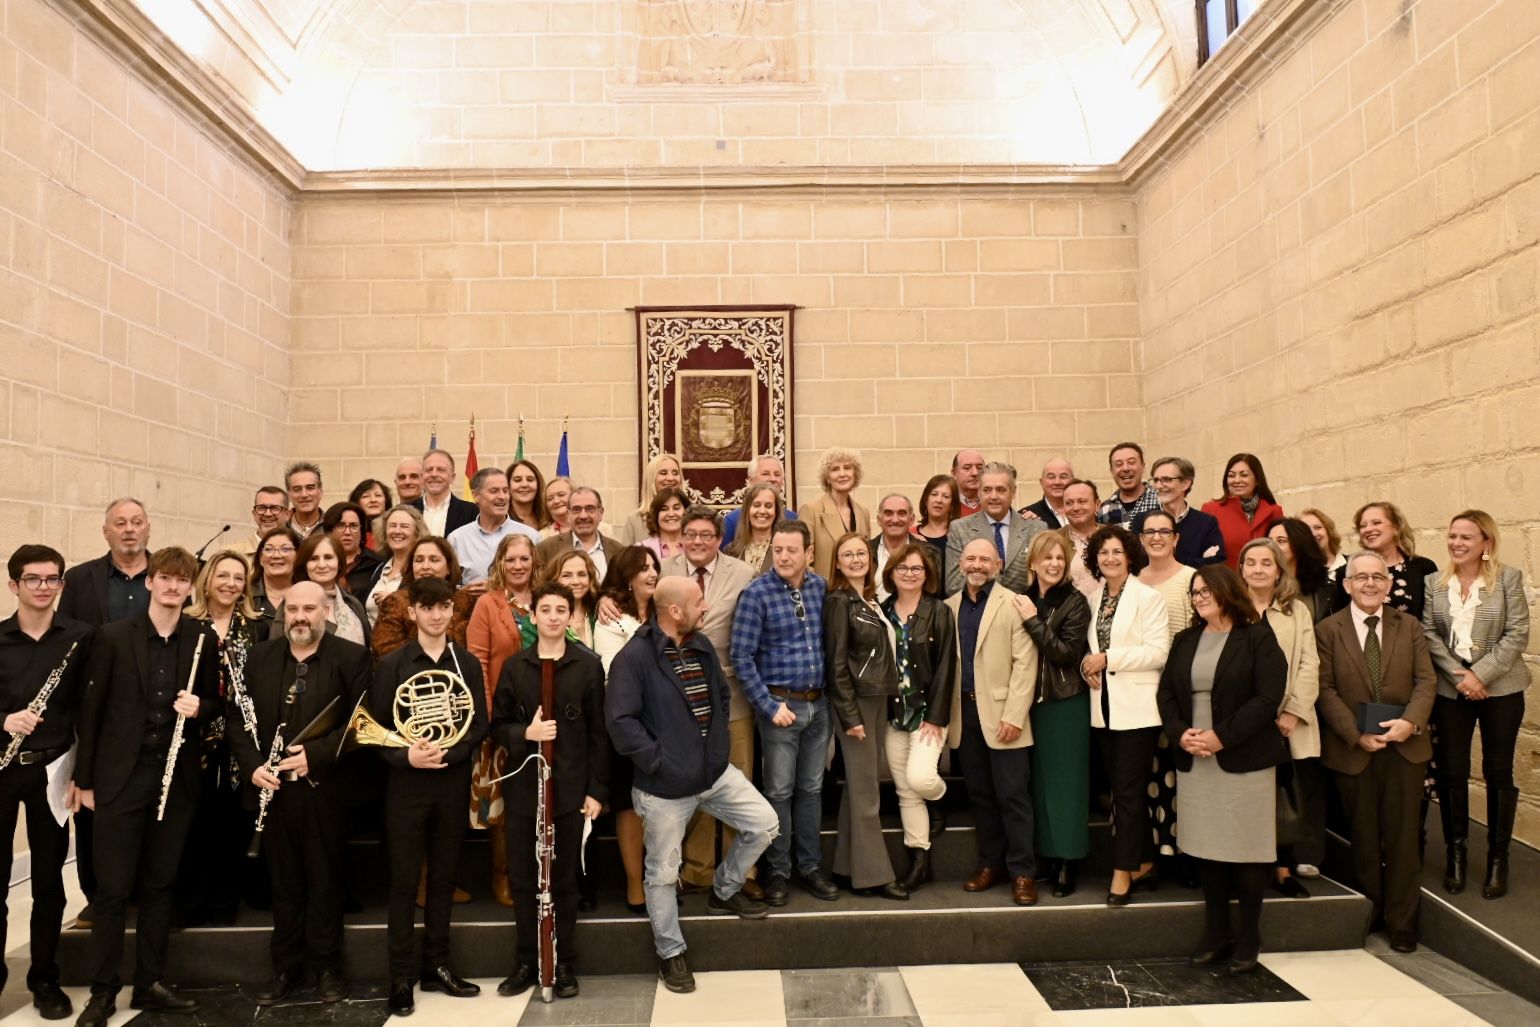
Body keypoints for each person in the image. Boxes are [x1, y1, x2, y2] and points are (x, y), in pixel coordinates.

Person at [606, 577, 780, 994]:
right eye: (699, 603)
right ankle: (670, 953)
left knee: (765, 824)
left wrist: (717, 749)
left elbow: (720, 698)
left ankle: (724, 889)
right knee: (663, 874)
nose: (707, 609)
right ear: (675, 612)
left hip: (714, 774)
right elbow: (621, 722)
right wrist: (659, 762)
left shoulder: (700, 645)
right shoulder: (634, 658)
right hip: (662, 788)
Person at [72, 547, 221, 1027]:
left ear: (190, 587)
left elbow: (218, 705)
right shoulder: (113, 637)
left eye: (184, 581)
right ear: (151, 582)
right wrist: (86, 780)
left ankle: (150, 982)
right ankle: (102, 991)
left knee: (160, 885)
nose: (175, 588)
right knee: (113, 891)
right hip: (120, 780)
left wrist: (200, 708)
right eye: (167, 579)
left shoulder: (202, 638)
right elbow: (91, 714)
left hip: (175, 779)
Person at [230, 581, 371, 1006]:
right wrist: (253, 766)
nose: (300, 617)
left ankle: (328, 969)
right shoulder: (260, 657)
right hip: (272, 792)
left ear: (327, 609)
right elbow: (238, 719)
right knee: (285, 885)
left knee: (325, 882)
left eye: (310, 608)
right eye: (292, 609)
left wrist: (318, 756)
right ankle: (286, 969)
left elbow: (363, 723)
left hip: (323, 789)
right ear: (282, 613)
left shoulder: (352, 657)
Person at [1157, 564, 1288, 975]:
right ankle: (1216, 933)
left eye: (1205, 590)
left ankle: (1249, 935)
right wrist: (1181, 734)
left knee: (1247, 851)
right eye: (1194, 593)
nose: (1199, 598)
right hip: (1195, 758)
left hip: (1241, 758)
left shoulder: (1257, 637)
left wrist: (1221, 738)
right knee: (1208, 849)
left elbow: (1268, 699)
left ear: (1227, 591)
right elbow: (1166, 695)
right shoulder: (1186, 639)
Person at [372, 576, 489, 1016]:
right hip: (406, 786)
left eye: (444, 607)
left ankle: (437, 966)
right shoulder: (393, 665)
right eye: (428, 607)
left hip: (451, 782)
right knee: (404, 883)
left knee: (443, 878)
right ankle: (400, 976)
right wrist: (408, 757)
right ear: (412, 613)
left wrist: (450, 751)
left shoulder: (467, 665)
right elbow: (375, 731)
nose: (437, 615)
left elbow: (478, 724)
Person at [491, 581, 607, 1000]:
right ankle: (527, 961)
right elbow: (498, 727)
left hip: (572, 793)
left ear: (571, 617)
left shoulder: (588, 665)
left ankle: (564, 963)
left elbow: (599, 734)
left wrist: (596, 790)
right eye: (546, 609)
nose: (554, 616)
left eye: (562, 609)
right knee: (524, 880)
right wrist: (528, 732)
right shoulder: (515, 666)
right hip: (526, 793)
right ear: (533, 616)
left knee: (565, 882)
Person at [1317, 552, 1437, 952]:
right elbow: (1325, 689)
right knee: (1364, 838)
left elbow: (1426, 680)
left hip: (1405, 748)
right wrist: (1355, 735)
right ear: (1347, 585)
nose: (1370, 583)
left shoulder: (1411, 626)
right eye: (1361, 577)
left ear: (1388, 585)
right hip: (1355, 749)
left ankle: (1403, 924)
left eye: (1377, 577)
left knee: (1403, 840)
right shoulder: (1328, 630)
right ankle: (1371, 914)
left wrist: (1411, 722)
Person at [0, 545, 90, 1021]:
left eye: (51, 579)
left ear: (61, 585)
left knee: (51, 883)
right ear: (14, 585)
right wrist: (5, 719)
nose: (42, 587)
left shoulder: (81, 638)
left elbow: (91, 710)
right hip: (1, 769)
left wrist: (84, 771)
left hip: (52, 771)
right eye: (31, 579)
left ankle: (45, 978)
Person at [1423, 511, 1530, 899]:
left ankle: (1498, 861)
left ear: (1487, 542)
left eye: (1467, 537)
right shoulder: (1433, 583)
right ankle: (1456, 855)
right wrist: (1460, 677)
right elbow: (1428, 633)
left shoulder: (1508, 578)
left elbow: (1517, 632)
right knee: (1452, 771)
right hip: (1453, 691)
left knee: (1498, 771)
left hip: (1501, 689)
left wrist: (1480, 675)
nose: (1457, 543)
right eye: (1452, 536)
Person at [57, 498, 151, 927]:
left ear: (148, 528)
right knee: (92, 799)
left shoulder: (167, 574)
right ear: (106, 531)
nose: (128, 530)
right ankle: (96, 896)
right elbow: (68, 642)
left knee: (151, 803)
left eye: (136, 522)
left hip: (156, 705)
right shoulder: (80, 579)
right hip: (98, 706)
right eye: (120, 523)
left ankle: (144, 892)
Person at [730, 519, 835, 904]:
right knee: (778, 792)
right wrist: (768, 705)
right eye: (778, 550)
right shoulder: (756, 594)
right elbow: (741, 656)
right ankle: (778, 872)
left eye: (793, 550)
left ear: (809, 553)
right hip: (780, 708)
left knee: (811, 791)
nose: (785, 556)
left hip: (817, 706)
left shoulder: (820, 588)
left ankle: (810, 867)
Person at [659, 510, 760, 898]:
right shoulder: (664, 571)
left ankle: (742, 871)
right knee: (696, 784)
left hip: (732, 695)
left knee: (740, 783)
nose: (698, 541)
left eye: (706, 534)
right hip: (679, 698)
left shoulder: (742, 573)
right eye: (690, 534)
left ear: (720, 538)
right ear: (680, 538)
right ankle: (699, 869)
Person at [1080, 525, 1171, 906]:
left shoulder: (1148, 598)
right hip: (1103, 709)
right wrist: (1090, 664)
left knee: (1129, 794)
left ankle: (1122, 872)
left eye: (1117, 552)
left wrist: (1108, 659)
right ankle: (1144, 861)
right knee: (1121, 791)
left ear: (1130, 556)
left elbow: (1157, 653)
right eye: (1104, 553)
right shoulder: (1092, 597)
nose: (1111, 558)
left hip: (1137, 711)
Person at [945, 538, 1039, 905]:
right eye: (971, 558)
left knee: (1013, 796)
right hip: (964, 715)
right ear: (961, 563)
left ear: (998, 564)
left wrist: (1014, 715)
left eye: (985, 558)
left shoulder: (1013, 604)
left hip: (1004, 716)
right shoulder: (948, 607)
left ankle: (1023, 872)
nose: (977, 564)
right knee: (981, 796)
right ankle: (991, 864)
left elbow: (1025, 664)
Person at [181, 552, 266, 927]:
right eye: (223, 575)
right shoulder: (187, 623)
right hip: (193, 738)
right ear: (207, 580)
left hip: (240, 742)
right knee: (195, 824)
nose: (231, 583)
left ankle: (225, 900)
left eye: (238, 577)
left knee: (233, 823)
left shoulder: (257, 626)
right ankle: (192, 899)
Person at [1239, 539, 1325, 892]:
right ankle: (1247, 867)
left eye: (1266, 563)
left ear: (1278, 570)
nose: (1258, 569)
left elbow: (1309, 663)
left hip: (1285, 721)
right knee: (1246, 796)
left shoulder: (1296, 611)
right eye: (1251, 562)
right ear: (1241, 569)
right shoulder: (1231, 607)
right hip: (1242, 721)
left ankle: (1283, 868)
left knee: (1283, 798)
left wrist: (1293, 711)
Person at [824, 533, 907, 901]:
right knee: (866, 790)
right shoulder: (839, 602)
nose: (856, 559)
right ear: (837, 563)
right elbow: (837, 663)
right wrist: (849, 714)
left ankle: (845, 866)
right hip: (856, 704)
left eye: (861, 553)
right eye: (847, 555)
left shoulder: (871, 601)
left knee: (860, 786)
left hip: (876, 700)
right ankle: (874, 874)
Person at [1012, 530, 1091, 898]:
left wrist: (1033, 622)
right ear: (1033, 562)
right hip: (1031, 705)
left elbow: (1065, 654)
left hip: (1064, 703)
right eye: (1048, 557)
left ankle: (1068, 860)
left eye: (1060, 558)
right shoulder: (1022, 599)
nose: (1055, 564)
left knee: (1067, 786)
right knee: (1039, 784)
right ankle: (1046, 854)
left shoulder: (1075, 602)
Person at [467, 533, 543, 908]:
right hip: (502, 718)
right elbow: (477, 661)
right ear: (499, 563)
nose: (517, 566)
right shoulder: (488, 604)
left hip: (545, 718)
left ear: (534, 561)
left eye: (524, 559)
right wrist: (487, 714)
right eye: (510, 559)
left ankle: (540, 875)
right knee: (503, 807)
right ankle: (504, 876)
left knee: (543, 801)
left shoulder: (546, 601)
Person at [592, 546, 662, 913]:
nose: (651, 573)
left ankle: (660, 878)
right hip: (627, 726)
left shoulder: (665, 609)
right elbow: (613, 673)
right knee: (629, 805)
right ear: (627, 575)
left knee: (662, 804)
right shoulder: (610, 615)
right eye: (643, 568)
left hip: (666, 725)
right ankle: (636, 884)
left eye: (654, 567)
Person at [880, 543, 954, 892]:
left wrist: (936, 717)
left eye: (917, 569)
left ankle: (941, 798)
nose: (910, 574)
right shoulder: (881, 611)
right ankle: (919, 860)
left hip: (927, 713)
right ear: (891, 573)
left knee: (922, 779)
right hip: (894, 714)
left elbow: (945, 667)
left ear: (928, 575)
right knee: (906, 791)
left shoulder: (938, 612)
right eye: (903, 568)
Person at [945, 462, 1045, 596]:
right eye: (987, 490)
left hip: (1026, 611)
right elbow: (953, 585)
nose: (993, 496)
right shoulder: (960, 529)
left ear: (1013, 492)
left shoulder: (1036, 528)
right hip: (978, 612)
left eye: (1000, 490)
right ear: (979, 493)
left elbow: (1043, 580)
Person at [372, 538, 474, 658]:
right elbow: (385, 652)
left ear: (449, 567)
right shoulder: (396, 602)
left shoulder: (467, 600)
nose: (425, 566)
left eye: (434, 560)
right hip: (411, 673)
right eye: (419, 560)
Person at [1338, 502, 1438, 619]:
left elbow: (1432, 620)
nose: (1368, 529)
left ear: (1396, 528)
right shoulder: (1346, 572)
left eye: (1376, 523)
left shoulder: (1423, 568)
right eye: (1363, 526)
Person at [449, 468, 541, 589]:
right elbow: (449, 585)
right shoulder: (457, 539)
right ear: (476, 495)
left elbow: (540, 582)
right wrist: (467, 591)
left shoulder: (530, 536)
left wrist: (496, 588)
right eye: (494, 491)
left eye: (505, 491)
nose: (502, 497)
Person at [799, 448, 871, 581]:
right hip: (826, 595)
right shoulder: (811, 510)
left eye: (847, 468)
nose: (842, 474)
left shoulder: (863, 512)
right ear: (827, 477)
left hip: (858, 593)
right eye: (835, 469)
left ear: (855, 474)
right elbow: (803, 560)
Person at [1200, 454, 1283, 569]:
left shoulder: (1274, 512)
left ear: (1257, 479)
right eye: (1231, 476)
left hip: (1263, 581)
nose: (1237, 480)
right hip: (1225, 583)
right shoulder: (1210, 510)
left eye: (1244, 475)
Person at [1139, 457, 1224, 566]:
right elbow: (1140, 564)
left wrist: (1164, 559)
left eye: (1167, 479)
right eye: (1156, 480)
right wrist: (1199, 561)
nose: (1159, 486)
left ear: (1185, 484)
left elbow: (1216, 564)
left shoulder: (1206, 523)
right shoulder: (1142, 520)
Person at [290, 534, 370, 649]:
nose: (322, 565)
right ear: (304, 566)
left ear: (339, 563)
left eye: (328, 557)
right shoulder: (290, 605)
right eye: (314, 559)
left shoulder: (353, 604)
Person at [535, 486, 624, 581]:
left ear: (600, 513)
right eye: (576, 509)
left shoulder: (618, 551)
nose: (583, 516)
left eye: (590, 509)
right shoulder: (546, 549)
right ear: (568, 514)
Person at [364, 506, 430, 627]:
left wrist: (395, 602)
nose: (397, 531)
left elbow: (431, 613)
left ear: (417, 533)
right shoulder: (380, 568)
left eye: (404, 526)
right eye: (392, 526)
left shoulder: (424, 569)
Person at [1267, 518, 1335, 623]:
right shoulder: (1261, 587)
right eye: (1269, 541)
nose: (1272, 547)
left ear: (1299, 545)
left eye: (1281, 541)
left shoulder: (1324, 590)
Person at [720, 455, 795, 545]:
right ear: (750, 480)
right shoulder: (731, 521)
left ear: (782, 481)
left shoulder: (792, 519)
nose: (772, 479)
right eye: (765, 474)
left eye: (777, 474)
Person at [538, 550, 601, 649]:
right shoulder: (537, 620)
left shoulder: (600, 614)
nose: (575, 581)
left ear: (590, 579)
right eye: (566, 575)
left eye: (581, 574)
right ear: (553, 580)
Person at [619, 452, 684, 545]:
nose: (670, 478)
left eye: (675, 473)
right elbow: (626, 558)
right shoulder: (635, 520)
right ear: (651, 479)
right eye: (663, 473)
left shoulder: (692, 516)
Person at [409, 450, 477, 538]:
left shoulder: (471, 512)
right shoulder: (408, 510)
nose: (434, 474)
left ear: (452, 477)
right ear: (422, 477)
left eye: (441, 470)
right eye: (429, 470)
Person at [322, 502, 382, 597]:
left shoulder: (377, 564)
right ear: (329, 530)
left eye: (354, 526)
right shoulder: (317, 561)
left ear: (361, 531)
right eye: (340, 525)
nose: (347, 532)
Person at [723, 482, 783, 575]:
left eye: (768, 506)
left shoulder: (784, 550)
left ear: (776, 512)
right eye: (756, 505)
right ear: (747, 510)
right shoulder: (731, 551)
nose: (762, 511)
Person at [1097, 443, 1161, 527]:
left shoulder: (1161, 500)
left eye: (1131, 462)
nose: (1125, 468)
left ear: (1143, 466)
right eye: (1119, 464)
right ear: (1112, 471)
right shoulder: (1105, 509)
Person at [913, 474, 959, 586]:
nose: (939, 500)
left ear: (952, 505)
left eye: (946, 496)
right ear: (925, 500)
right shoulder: (911, 534)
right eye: (934, 494)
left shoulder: (960, 536)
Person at [870, 493, 915, 600]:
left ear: (912, 519)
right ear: (879, 520)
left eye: (902, 513)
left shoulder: (929, 553)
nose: (895, 520)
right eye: (888, 513)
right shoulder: (865, 553)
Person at [1061, 479, 1101, 598]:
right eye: (1069, 503)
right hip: (1072, 614)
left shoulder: (1115, 537)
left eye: (1082, 501)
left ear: (1097, 505)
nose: (1075, 507)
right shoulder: (1054, 540)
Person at [251, 527, 301, 624]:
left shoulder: (308, 594)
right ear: (260, 558)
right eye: (269, 549)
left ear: (297, 556)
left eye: (285, 549)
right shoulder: (245, 596)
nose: (276, 556)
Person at [231, 486, 291, 560]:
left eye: (275, 508)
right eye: (261, 508)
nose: (267, 514)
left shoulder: (302, 554)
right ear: (254, 514)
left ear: (288, 514)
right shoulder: (232, 554)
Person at [641, 487, 689, 562]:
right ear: (655, 515)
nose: (671, 514)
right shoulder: (641, 549)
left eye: (676, 508)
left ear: (687, 512)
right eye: (664, 509)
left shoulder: (699, 545)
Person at [1021, 458, 1074, 527]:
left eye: (1063, 477)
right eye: (1051, 477)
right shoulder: (1027, 517)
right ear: (1041, 482)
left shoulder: (1084, 513)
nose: (1057, 482)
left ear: (1073, 481)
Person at [347, 479, 393, 550]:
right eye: (366, 496)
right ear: (357, 502)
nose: (373, 500)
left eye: (378, 495)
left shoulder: (394, 529)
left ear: (386, 501)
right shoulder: (349, 531)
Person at [504, 459, 548, 533]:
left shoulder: (547, 518)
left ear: (538, 484)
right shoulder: (500, 520)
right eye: (517, 480)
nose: (524, 485)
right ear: (508, 485)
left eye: (530, 480)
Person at [1300, 508, 1346, 576]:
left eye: (1318, 527)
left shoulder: (1352, 565)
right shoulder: (1298, 573)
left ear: (1328, 531)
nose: (1313, 534)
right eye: (1306, 530)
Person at [285, 463, 325, 540]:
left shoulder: (332, 527)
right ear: (289, 495)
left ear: (320, 492)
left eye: (310, 488)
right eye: (297, 489)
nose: (304, 495)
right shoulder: (281, 529)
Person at [951, 449, 985, 516]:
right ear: (954, 473)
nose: (975, 473)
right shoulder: (946, 506)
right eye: (967, 468)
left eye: (979, 468)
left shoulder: (994, 505)